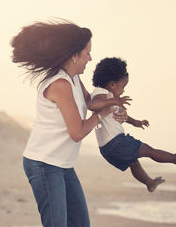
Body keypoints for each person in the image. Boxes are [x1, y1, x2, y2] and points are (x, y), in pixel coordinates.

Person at [10, 20, 130, 227]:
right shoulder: (60, 84)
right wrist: (103, 114)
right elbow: (77, 132)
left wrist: (114, 106)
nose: (90, 58)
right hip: (44, 164)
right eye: (87, 53)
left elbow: (91, 103)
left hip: (63, 165)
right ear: (74, 55)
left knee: (80, 224)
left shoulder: (74, 78)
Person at [89, 57, 176, 192]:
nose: (123, 91)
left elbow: (119, 114)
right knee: (148, 150)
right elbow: (93, 105)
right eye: (123, 86)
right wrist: (115, 101)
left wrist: (136, 122)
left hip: (107, 149)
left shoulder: (109, 98)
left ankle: (149, 183)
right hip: (116, 143)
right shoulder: (102, 94)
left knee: (133, 163)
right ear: (112, 84)